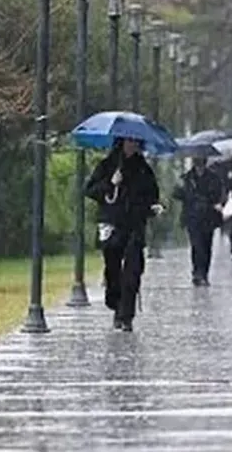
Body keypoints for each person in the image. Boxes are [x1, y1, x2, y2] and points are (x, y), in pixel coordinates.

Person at [84, 138, 163, 332]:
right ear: (121, 142)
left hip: (135, 226)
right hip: (112, 224)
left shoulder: (144, 169)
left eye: (136, 141)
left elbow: (152, 195)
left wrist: (153, 207)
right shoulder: (107, 165)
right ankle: (115, 303)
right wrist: (110, 183)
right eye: (129, 141)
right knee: (113, 269)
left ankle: (126, 315)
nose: (132, 144)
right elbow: (90, 190)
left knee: (133, 271)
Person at [173, 156, 225, 286]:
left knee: (206, 246)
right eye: (197, 163)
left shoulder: (213, 178)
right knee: (197, 245)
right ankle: (198, 272)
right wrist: (181, 189)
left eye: (201, 163)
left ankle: (204, 273)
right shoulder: (186, 178)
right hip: (192, 216)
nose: (199, 166)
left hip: (208, 217)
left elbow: (219, 195)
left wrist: (209, 201)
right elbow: (177, 194)